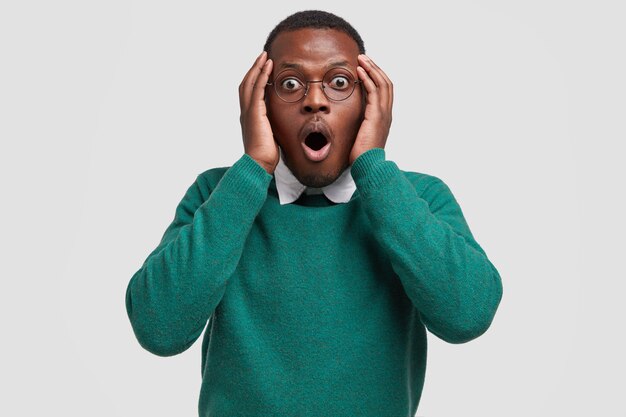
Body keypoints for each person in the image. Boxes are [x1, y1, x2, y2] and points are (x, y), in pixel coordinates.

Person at [125, 9, 503, 417]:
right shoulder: (217, 194)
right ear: (261, 105)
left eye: (340, 83)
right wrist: (252, 168)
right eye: (290, 84)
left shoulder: (418, 197)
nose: (316, 100)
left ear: (368, 103)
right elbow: (159, 328)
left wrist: (374, 168)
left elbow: (467, 315)